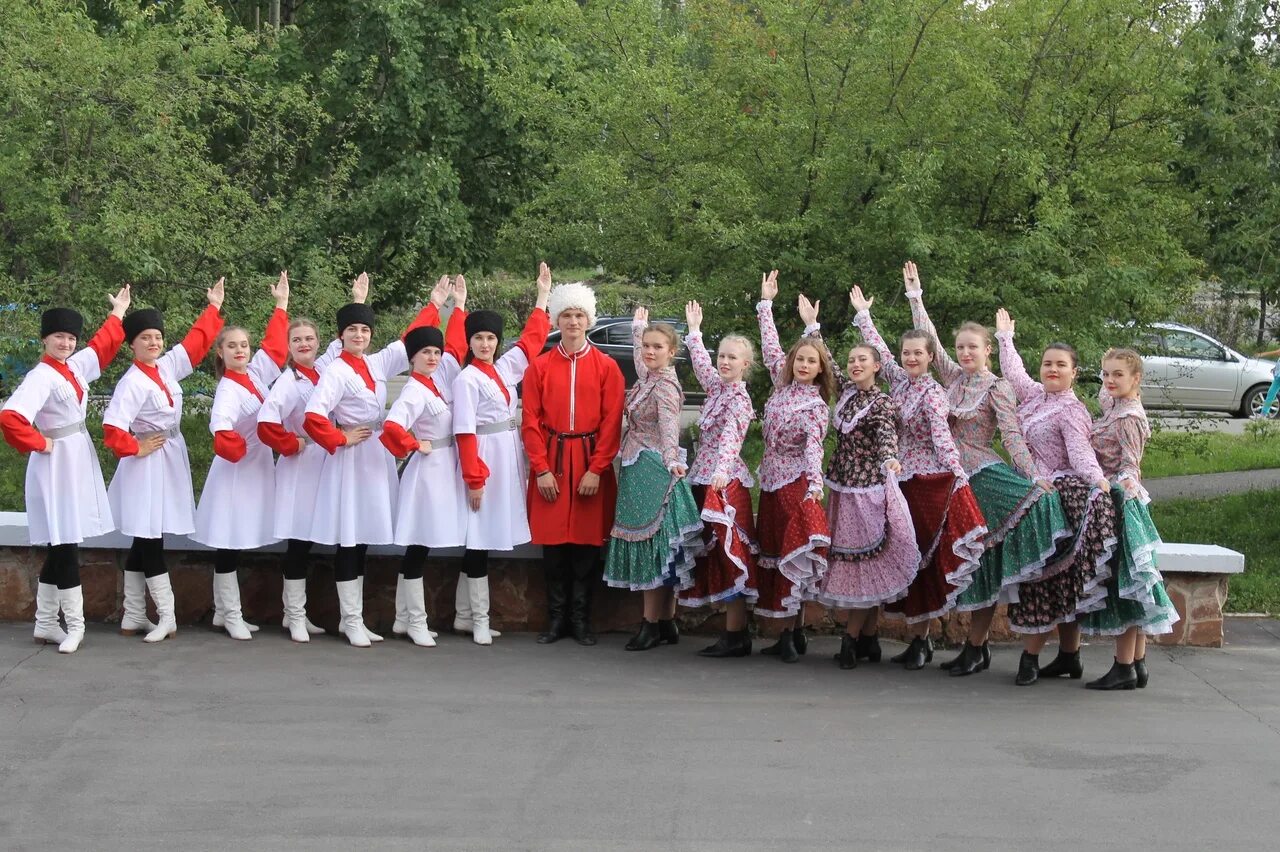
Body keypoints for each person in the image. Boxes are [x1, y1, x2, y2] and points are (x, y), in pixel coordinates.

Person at [904, 263, 1072, 676]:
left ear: (987, 351)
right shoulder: (952, 378)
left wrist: (1032, 474)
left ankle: (975, 646)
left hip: (982, 478)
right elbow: (931, 341)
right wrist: (915, 296)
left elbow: (1012, 437)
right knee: (954, 559)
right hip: (946, 479)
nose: (964, 354)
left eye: (972, 348)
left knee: (983, 561)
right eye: (961, 348)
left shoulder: (997, 387)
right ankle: (956, 645)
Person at [851, 285, 987, 670]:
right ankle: (916, 639)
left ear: (930, 358)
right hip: (899, 481)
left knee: (923, 560)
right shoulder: (898, 381)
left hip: (928, 481)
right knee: (902, 557)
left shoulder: (932, 393)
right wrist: (863, 316)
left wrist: (956, 474)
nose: (911, 358)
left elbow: (944, 441)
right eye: (906, 352)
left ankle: (922, 640)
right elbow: (875, 348)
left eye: (918, 353)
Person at [302, 273, 440, 648]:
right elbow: (313, 417)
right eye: (352, 330)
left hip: (375, 456)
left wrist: (435, 303)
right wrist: (340, 436)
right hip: (351, 459)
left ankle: (358, 619)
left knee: (362, 537)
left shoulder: (377, 364)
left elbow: (412, 338)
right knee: (349, 538)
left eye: (364, 329)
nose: (359, 335)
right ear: (341, 335)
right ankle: (350, 620)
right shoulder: (336, 371)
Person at [1, 285, 131, 653]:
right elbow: (10, 417)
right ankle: (75, 624)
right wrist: (40, 442)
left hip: (76, 455)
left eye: (71, 337)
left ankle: (45, 623)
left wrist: (118, 313)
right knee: (64, 541)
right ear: (45, 339)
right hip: (56, 461)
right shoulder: (40, 376)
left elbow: (103, 347)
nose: (66, 343)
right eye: (59, 336)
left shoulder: (73, 367)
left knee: (64, 542)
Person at [996, 308, 1118, 686]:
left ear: (1073, 373)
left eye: (1060, 365)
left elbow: (1081, 453)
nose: (1052, 369)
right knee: (1053, 578)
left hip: (1061, 498)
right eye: (1047, 363)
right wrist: (1004, 339)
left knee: (1049, 577)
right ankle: (1069, 657)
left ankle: (1030, 657)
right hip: (1036, 494)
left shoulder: (1071, 409)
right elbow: (1015, 374)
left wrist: (1098, 482)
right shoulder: (1035, 396)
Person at [102, 279, 226, 643]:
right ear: (132, 345)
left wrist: (213, 308)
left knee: (143, 539)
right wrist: (134, 447)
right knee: (150, 536)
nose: (153, 343)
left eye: (157, 337)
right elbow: (112, 427)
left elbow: (196, 343)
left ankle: (133, 615)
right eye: (145, 339)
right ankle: (167, 617)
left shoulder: (167, 367)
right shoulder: (132, 381)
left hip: (170, 456)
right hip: (147, 463)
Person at [256, 280, 362, 642]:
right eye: (296, 340)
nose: (304, 344)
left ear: (318, 343)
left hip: (327, 464)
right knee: (299, 541)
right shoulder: (288, 381)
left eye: (309, 339)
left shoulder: (325, 370)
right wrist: (291, 443)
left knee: (322, 536)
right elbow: (265, 423)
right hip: (300, 468)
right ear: (288, 347)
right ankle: (294, 615)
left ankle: (310, 615)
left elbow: (348, 339)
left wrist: (357, 300)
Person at [452, 265, 553, 645]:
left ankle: (465, 615)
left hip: (507, 455)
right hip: (484, 459)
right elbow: (464, 432)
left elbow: (531, 342)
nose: (485, 344)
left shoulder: (504, 370)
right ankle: (479, 618)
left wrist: (542, 297)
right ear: (469, 342)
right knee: (477, 537)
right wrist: (474, 479)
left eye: (491, 338)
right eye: (477, 338)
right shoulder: (466, 379)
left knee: (486, 536)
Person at [521, 280, 624, 646]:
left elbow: (613, 422)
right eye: (566, 315)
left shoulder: (607, 366)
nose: (573, 321)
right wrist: (541, 468)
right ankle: (555, 620)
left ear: (589, 319)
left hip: (588, 460)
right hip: (553, 459)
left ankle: (581, 620)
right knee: (554, 548)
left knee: (585, 545)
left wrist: (597, 469)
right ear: (557, 320)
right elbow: (530, 421)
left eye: (579, 315)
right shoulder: (540, 366)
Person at [811, 335, 921, 671]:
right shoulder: (847, 393)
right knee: (856, 563)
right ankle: (868, 639)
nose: (855, 365)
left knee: (866, 562)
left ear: (877, 366)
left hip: (867, 492)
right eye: (852, 360)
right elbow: (826, 363)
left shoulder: (882, 403)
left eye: (863, 360)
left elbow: (887, 436)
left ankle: (851, 637)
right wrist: (814, 329)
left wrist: (890, 459)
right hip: (842, 489)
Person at [190, 274, 290, 641]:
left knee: (238, 539)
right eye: (232, 346)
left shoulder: (255, 375)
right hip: (237, 473)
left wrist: (280, 305)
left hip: (255, 470)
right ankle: (229, 614)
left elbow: (276, 349)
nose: (240, 350)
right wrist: (243, 449)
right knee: (229, 542)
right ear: (220, 352)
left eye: (244, 345)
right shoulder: (229, 388)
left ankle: (224, 612)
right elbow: (221, 428)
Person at [603, 306, 703, 651]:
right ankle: (666, 622)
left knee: (655, 545)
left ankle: (650, 623)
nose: (649, 351)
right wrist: (638, 327)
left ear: (672, 352)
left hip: (653, 468)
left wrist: (674, 462)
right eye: (646, 346)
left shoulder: (664, 387)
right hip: (637, 465)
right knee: (658, 545)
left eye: (657, 347)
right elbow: (638, 358)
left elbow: (669, 429)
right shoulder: (648, 377)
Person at [1079, 349, 1180, 689]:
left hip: (1122, 502)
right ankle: (1136, 664)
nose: (1109, 380)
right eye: (1106, 373)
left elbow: (1130, 465)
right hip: (1119, 499)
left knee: (1125, 584)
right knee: (1130, 582)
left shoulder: (1129, 417)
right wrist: (1110, 359)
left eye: (1117, 374)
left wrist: (1119, 491)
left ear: (1136, 378)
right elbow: (1103, 396)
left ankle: (1124, 667)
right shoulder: (1115, 405)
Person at [380, 276, 472, 648]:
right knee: (419, 544)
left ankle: (405, 618)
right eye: (425, 353)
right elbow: (391, 427)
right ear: (412, 358)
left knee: (425, 544)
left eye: (436, 353)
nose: (434, 357)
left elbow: (457, 344)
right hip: (427, 472)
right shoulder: (414, 391)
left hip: (444, 469)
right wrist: (414, 444)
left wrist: (458, 307)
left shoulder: (441, 380)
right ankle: (415, 620)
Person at [752, 272, 834, 664]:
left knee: (791, 556)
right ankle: (792, 631)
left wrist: (814, 486)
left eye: (810, 361)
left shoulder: (815, 406)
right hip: (769, 482)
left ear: (820, 369)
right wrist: (765, 304)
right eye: (799, 359)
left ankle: (790, 632)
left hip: (795, 485)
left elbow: (813, 449)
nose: (803, 364)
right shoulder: (781, 388)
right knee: (773, 554)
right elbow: (771, 350)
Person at [677, 301, 761, 658]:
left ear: (746, 365)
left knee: (731, 554)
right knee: (718, 553)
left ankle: (736, 633)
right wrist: (695, 332)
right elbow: (703, 368)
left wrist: (721, 474)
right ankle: (734, 632)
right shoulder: (717, 389)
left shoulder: (739, 400)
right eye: (721, 356)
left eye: (732, 358)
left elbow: (731, 441)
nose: (724, 362)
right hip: (708, 479)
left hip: (724, 484)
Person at [1254, 346, 1280, 418]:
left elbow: (1277, 352)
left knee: (1271, 394)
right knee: (1271, 394)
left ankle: (1264, 414)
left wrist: (1262, 354)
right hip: (1278, 376)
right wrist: (1276, 368)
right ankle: (1263, 414)